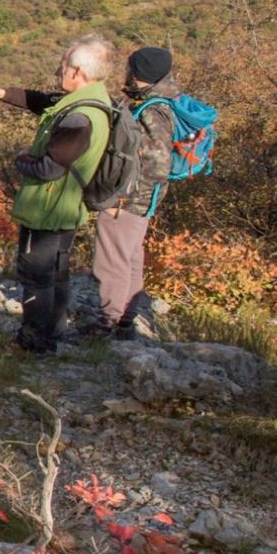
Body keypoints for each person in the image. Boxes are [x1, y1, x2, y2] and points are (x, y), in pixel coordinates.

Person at [0, 34, 114, 355]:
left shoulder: (79, 117)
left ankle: (33, 343)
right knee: (57, 274)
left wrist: (21, 158)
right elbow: (43, 101)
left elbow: (50, 168)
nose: (57, 71)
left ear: (77, 72)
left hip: (47, 208)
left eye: (63, 65)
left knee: (36, 276)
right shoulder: (90, 100)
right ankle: (54, 331)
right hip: (66, 208)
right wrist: (0, 92)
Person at [87, 46, 180, 338]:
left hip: (130, 199)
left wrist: (123, 197)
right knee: (128, 257)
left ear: (139, 73)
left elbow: (157, 162)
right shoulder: (157, 103)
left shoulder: (153, 110)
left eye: (130, 68)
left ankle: (106, 324)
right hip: (141, 199)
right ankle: (124, 321)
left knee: (112, 258)